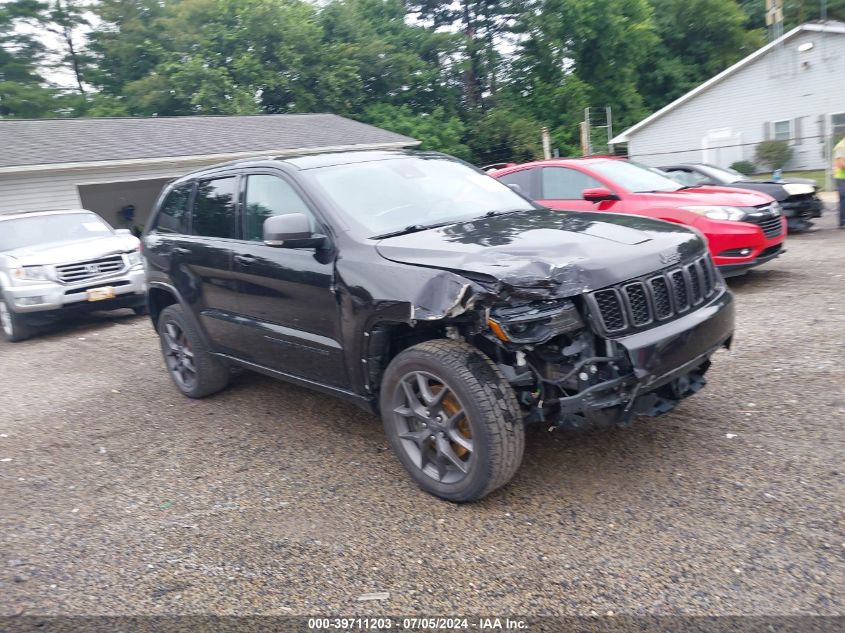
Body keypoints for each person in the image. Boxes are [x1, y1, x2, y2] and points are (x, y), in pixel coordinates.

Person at [836, 134, 845, 228]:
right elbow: (841, 164)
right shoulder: (841, 146)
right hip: (842, 178)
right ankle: (843, 222)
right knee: (844, 200)